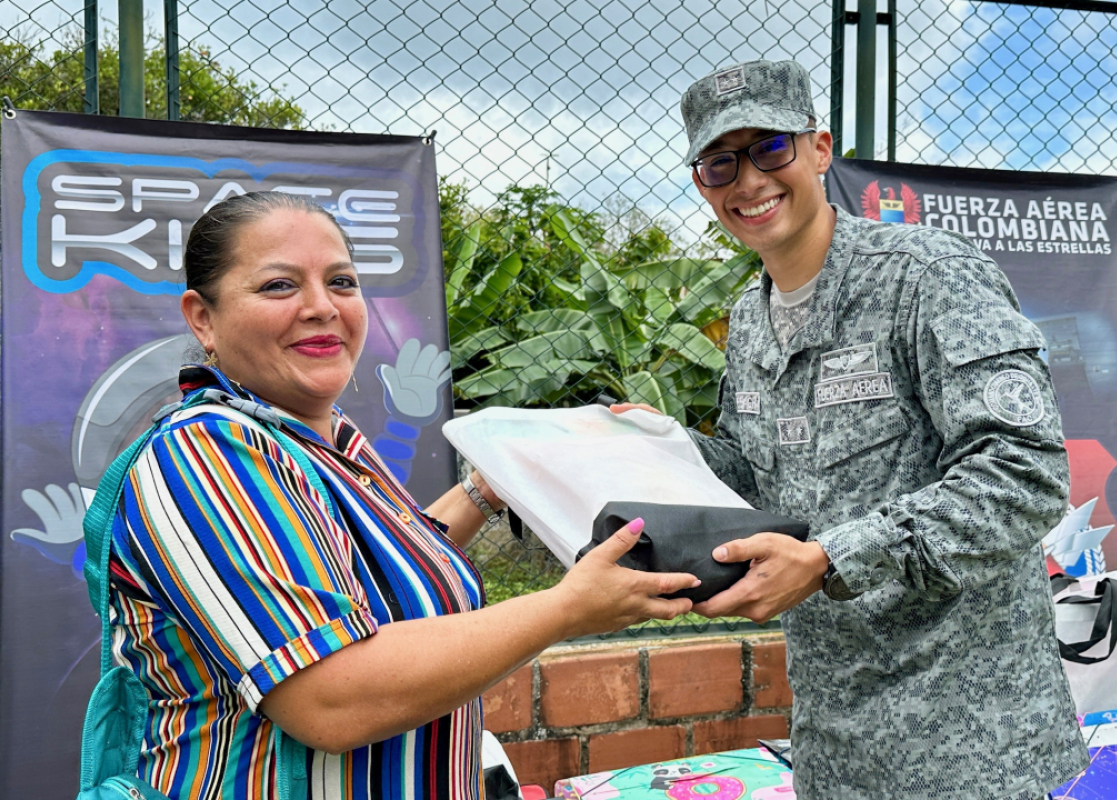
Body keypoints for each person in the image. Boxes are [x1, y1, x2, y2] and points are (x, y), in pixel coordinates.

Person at [99, 191, 699, 800]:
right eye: (279, 286)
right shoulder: (206, 453)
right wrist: (566, 609)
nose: (320, 307)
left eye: (341, 282)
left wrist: (492, 485)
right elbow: (330, 698)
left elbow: (385, 576)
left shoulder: (329, 441)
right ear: (202, 317)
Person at [615, 60, 1088, 798]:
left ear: (819, 148)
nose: (748, 182)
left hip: (973, 741)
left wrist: (834, 558)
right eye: (719, 163)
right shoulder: (748, 315)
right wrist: (663, 446)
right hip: (838, 742)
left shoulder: (927, 277)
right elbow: (759, 475)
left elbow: (1024, 474)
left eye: (770, 148)